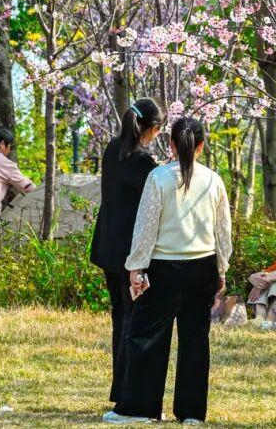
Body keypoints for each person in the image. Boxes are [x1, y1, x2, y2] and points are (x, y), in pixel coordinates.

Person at [107, 115, 232, 427]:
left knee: (146, 337)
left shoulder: (159, 177)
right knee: (195, 340)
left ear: (172, 144)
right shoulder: (213, 179)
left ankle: (139, 408)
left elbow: (146, 228)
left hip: (163, 267)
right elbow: (223, 231)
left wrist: (135, 267)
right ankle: (192, 413)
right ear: (201, 146)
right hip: (202, 265)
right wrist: (222, 268)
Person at [89, 98, 163, 409]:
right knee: (134, 320)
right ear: (153, 129)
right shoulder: (142, 163)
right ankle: (128, 390)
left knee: (120, 318)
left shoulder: (112, 150)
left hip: (108, 247)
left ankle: (119, 387)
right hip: (131, 253)